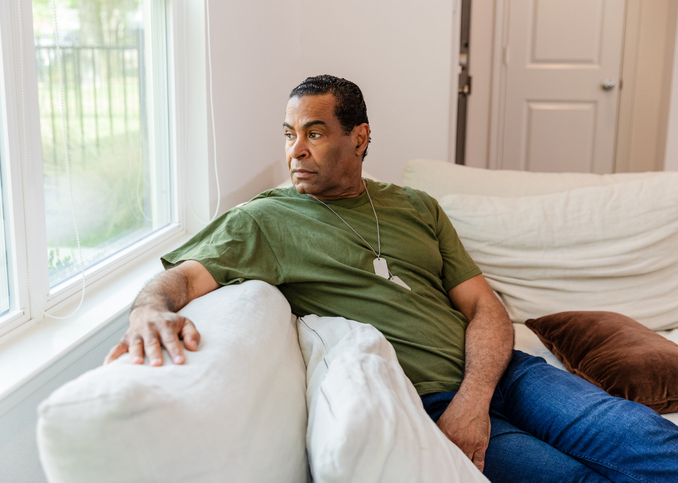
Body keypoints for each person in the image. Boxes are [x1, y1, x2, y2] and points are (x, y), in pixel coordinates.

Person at [105, 75, 678, 482]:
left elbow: (484, 308)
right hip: (428, 400)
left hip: (509, 374)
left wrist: (477, 396)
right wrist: (148, 311)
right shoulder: (266, 220)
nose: (295, 151)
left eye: (315, 132)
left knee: (654, 445)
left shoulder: (415, 206)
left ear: (359, 137)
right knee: (573, 479)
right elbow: (179, 280)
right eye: (287, 134)